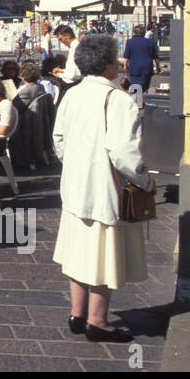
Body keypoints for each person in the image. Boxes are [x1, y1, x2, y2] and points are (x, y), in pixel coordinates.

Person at [52, 34, 153, 343]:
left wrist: (74, 164)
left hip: (74, 187)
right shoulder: (120, 100)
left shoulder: (72, 94)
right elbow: (125, 153)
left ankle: (77, 313)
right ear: (109, 63)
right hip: (107, 190)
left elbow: (59, 140)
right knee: (102, 255)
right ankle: (97, 320)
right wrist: (144, 181)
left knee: (78, 252)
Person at [120, 25, 159, 92]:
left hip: (134, 68)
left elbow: (126, 57)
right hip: (147, 68)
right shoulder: (150, 42)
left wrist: (125, 66)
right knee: (144, 87)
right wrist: (158, 67)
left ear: (134, 32)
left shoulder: (130, 42)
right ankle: (142, 99)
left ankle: (136, 100)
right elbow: (156, 57)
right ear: (144, 32)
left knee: (134, 87)